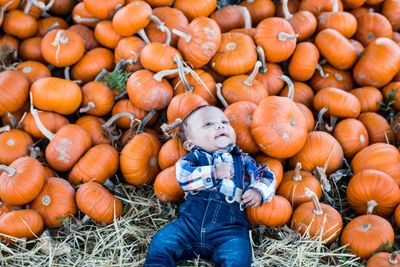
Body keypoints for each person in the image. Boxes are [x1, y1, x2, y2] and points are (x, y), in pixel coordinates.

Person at [144, 105, 276, 267]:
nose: (220, 126)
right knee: (162, 242)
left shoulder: (243, 160)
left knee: (237, 254)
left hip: (229, 231)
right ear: (190, 145)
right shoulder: (195, 158)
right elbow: (184, 176)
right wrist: (214, 173)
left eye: (224, 122)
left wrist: (258, 191)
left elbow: (267, 175)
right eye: (208, 124)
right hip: (189, 226)